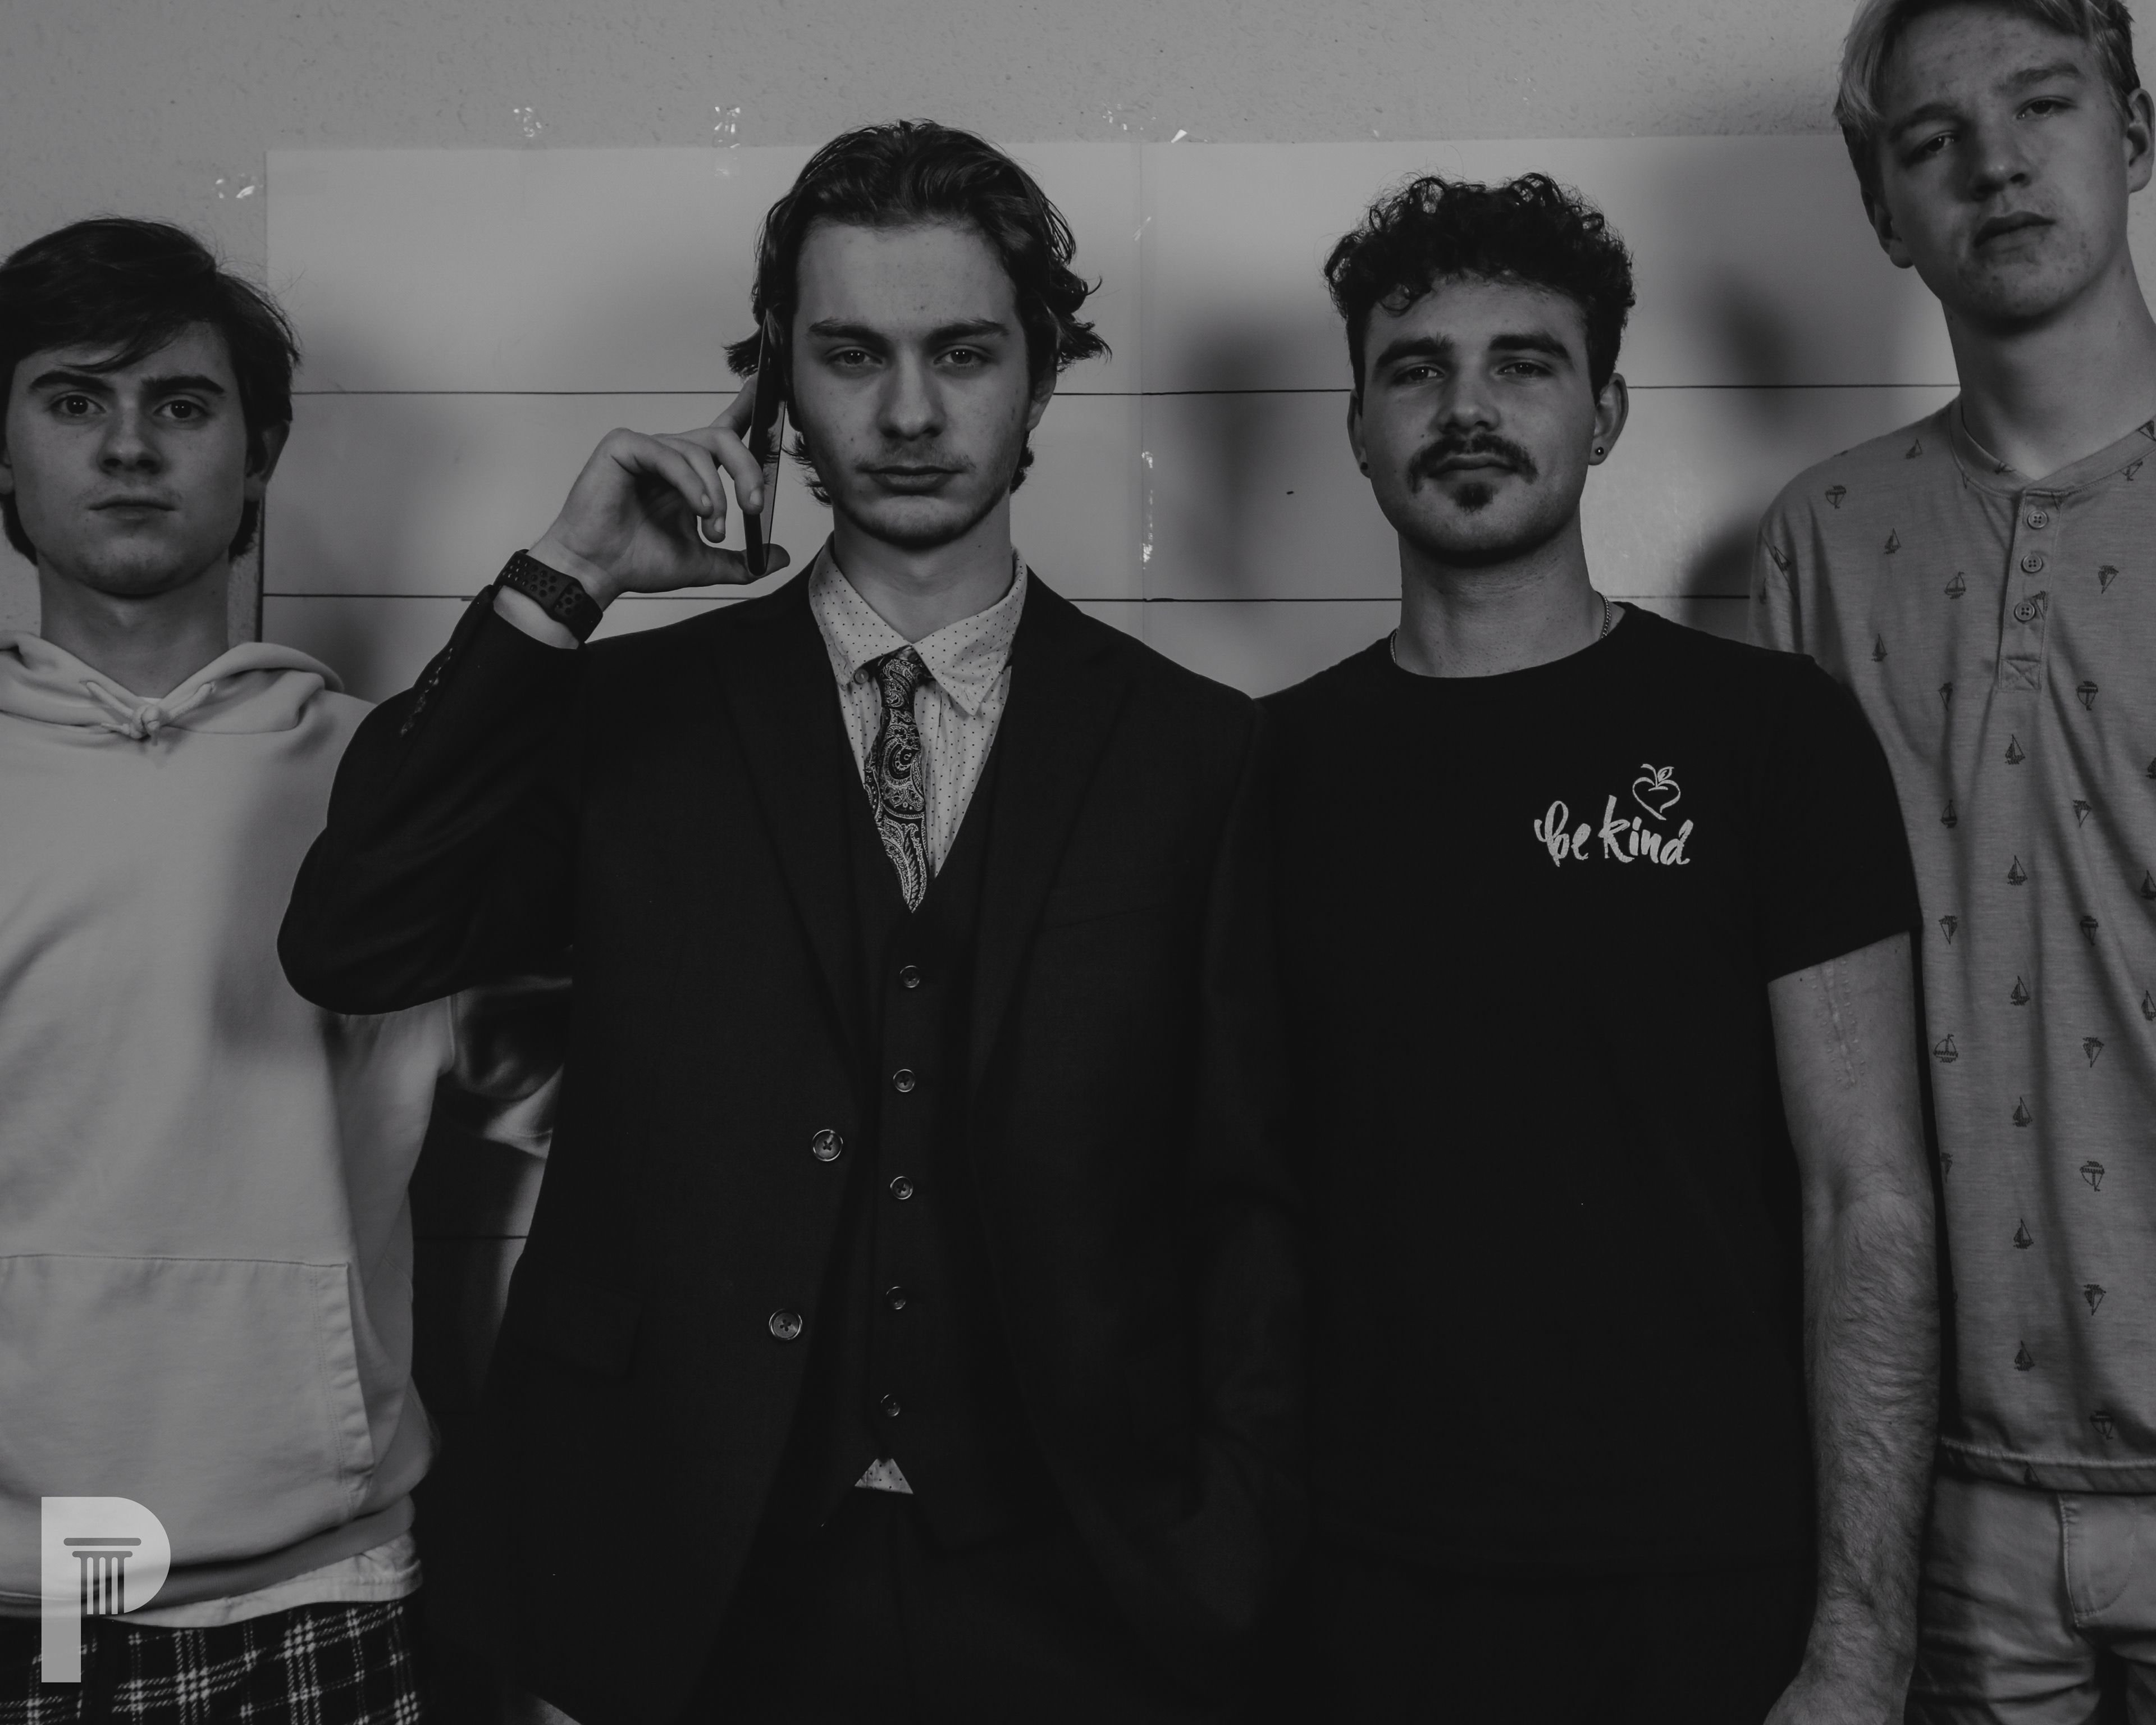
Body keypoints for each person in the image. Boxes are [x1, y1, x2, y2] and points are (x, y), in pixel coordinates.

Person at [277, 121, 1303, 1725]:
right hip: (686, 1565)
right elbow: (356, 935)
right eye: (851, 354)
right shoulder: (627, 714)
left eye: (963, 353)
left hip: (1076, 1580)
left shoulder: (1200, 753)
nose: (909, 413)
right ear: (780, 387)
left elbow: (1254, 1200)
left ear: (1040, 378)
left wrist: (1228, 1542)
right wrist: (567, 577)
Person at [1263, 172, 1939, 1723]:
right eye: (1416, 370)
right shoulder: (1263, 772)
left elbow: (1869, 1199)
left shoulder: (1769, 738)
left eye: (1525, 363)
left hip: (1711, 1589)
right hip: (1364, 1591)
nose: (1468, 408)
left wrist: (1862, 1643)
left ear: (1609, 412)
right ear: (1356, 425)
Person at [0, 218, 558, 1721]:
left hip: (320, 1584)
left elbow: (615, 1102)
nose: (129, 446)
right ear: (4, 448)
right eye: (73, 399)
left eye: (180, 404)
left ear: (257, 459)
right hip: (22, 1596)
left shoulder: (395, 793)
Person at [1756, 1, 2156, 1716]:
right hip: (1946, 1502)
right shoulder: (1822, 541)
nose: (1995, 163)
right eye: (1932, 141)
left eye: (2042, 104)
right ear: (1883, 211)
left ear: (2135, 132)